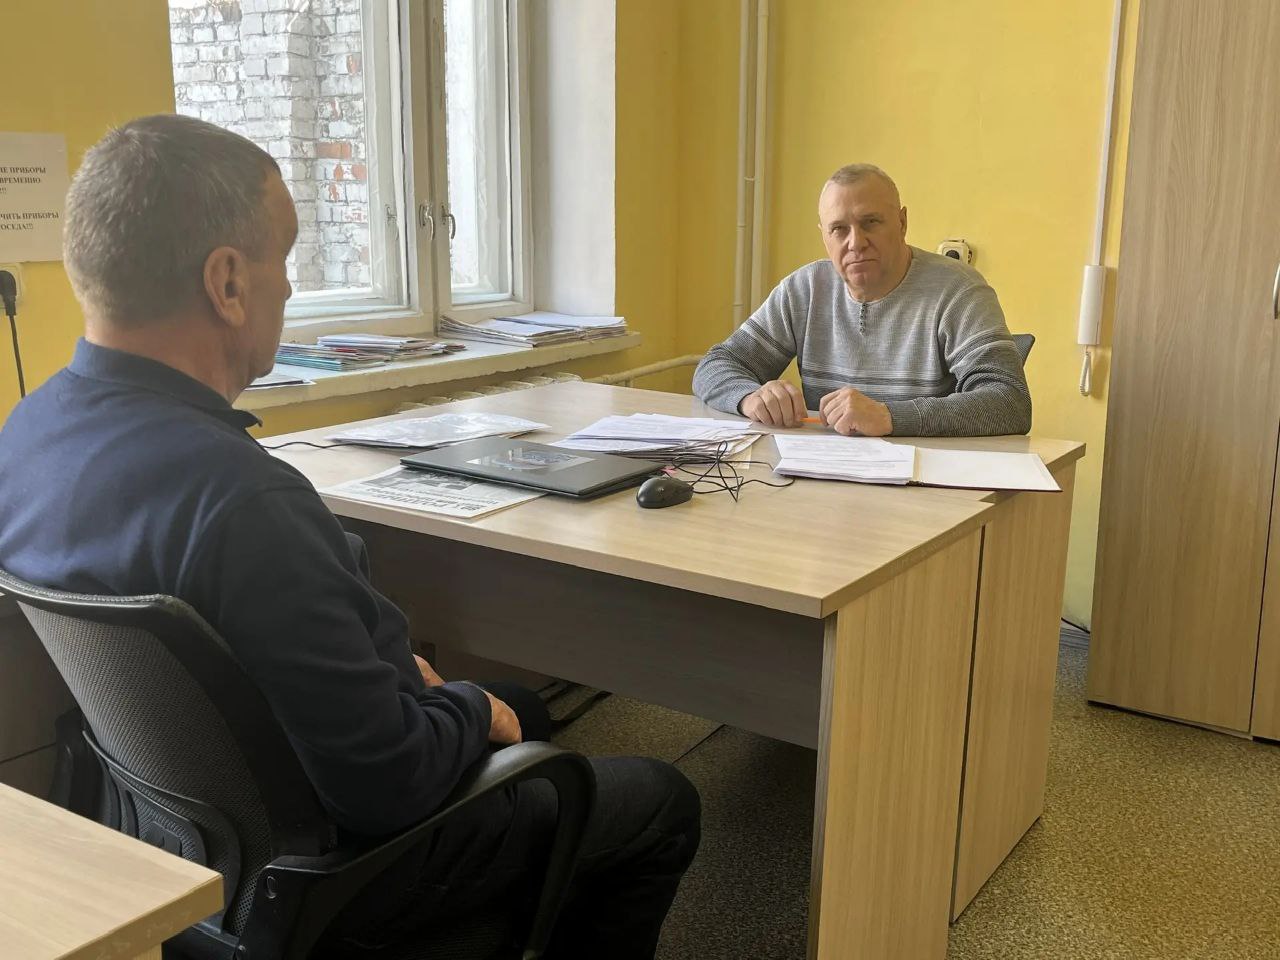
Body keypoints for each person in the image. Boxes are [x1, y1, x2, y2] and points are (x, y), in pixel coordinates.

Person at [0, 114, 699, 958]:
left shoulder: (26, 438)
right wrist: (462, 707)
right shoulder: (244, 502)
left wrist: (414, 687)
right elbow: (386, 786)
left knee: (527, 709)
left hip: (185, 838)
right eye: (285, 259)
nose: (290, 289)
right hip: (336, 870)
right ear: (228, 282)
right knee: (656, 797)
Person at [693, 163, 1032, 437]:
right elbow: (716, 365)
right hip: (823, 476)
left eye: (870, 222)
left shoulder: (957, 291)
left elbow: (1009, 401)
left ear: (902, 223)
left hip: (926, 483)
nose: (855, 242)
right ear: (824, 237)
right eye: (838, 229)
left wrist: (889, 417)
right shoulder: (805, 289)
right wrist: (749, 397)